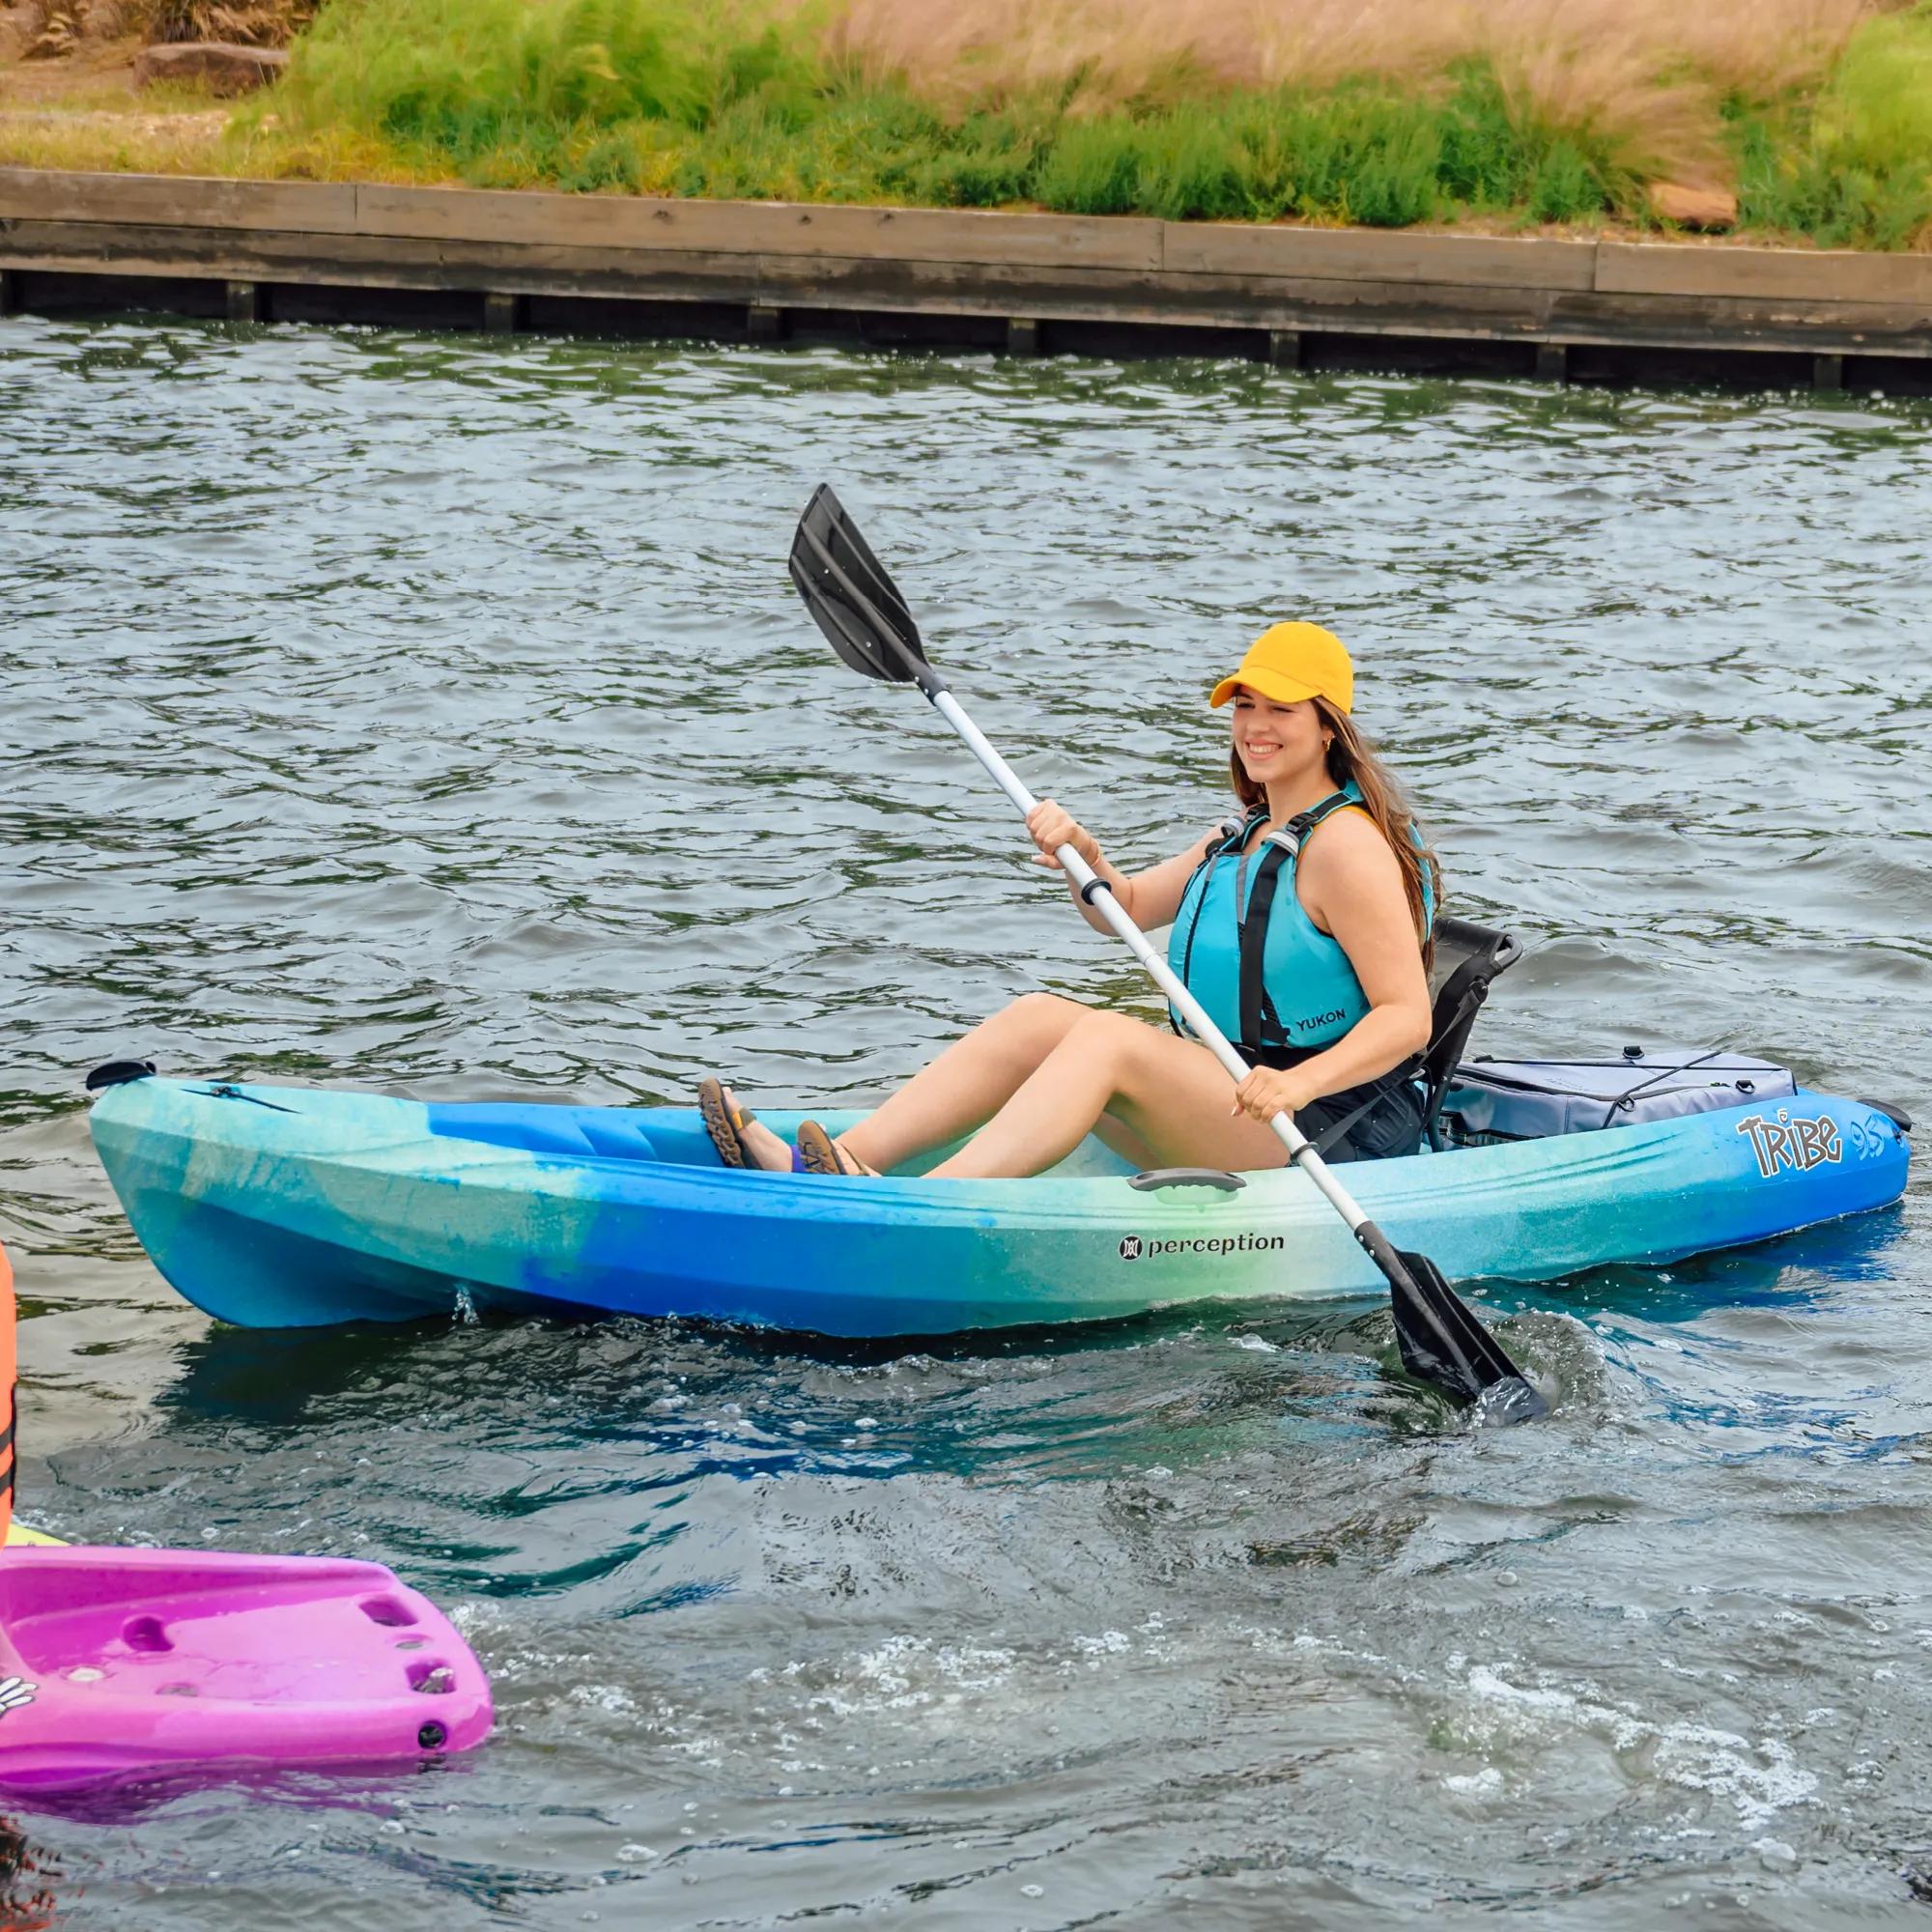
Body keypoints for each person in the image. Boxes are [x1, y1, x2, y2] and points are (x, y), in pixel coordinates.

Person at [700, 620, 1439, 1179]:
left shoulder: (1346, 847)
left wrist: (1297, 1084)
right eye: (1245, 705)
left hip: (1332, 1127)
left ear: (1327, 726)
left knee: (1109, 1039)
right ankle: (836, 1166)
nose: (1254, 725)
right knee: (1041, 1018)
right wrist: (1082, 855)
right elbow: (1124, 908)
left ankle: (930, 1206)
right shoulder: (1244, 834)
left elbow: (1408, 1017)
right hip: (1245, 1094)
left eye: (1280, 709)